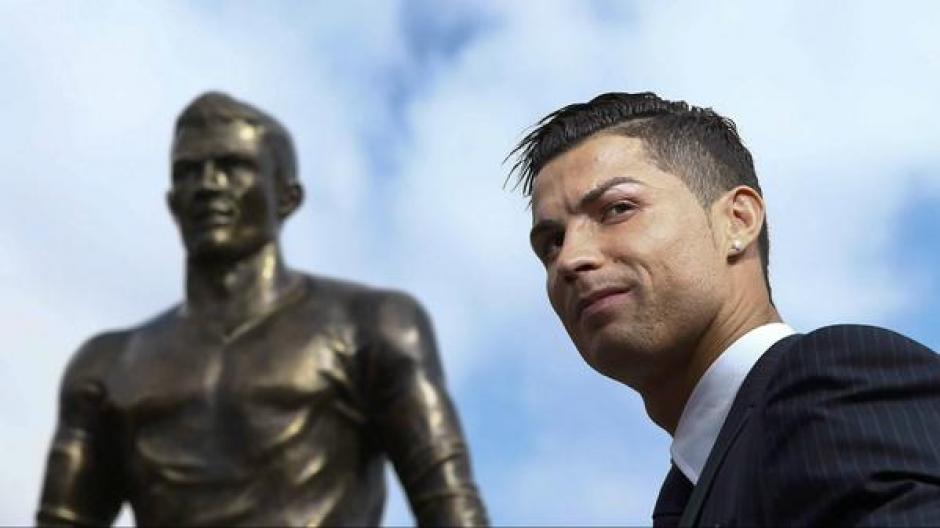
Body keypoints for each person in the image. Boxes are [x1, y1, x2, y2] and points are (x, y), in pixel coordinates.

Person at [37, 92, 488, 527]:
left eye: (233, 167)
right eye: (188, 172)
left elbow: (449, 506)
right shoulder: (106, 366)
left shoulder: (374, 327)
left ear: (287, 196)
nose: (208, 185)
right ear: (172, 202)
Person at [509, 92, 940, 526]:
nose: (569, 259)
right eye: (552, 244)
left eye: (618, 209)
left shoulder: (827, 382)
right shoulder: (691, 490)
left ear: (738, 220)